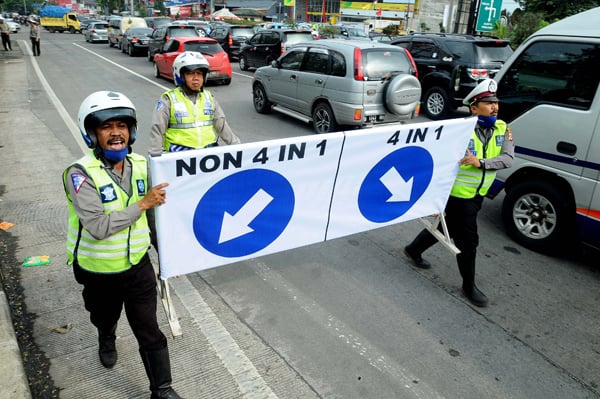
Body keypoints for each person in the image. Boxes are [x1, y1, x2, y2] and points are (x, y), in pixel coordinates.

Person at [63, 91, 183, 399]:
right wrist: (143, 204)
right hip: (98, 270)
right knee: (104, 316)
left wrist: (169, 258)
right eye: (106, 126)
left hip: (138, 268)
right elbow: (99, 227)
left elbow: (156, 218)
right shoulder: (79, 174)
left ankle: (162, 389)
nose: (116, 132)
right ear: (92, 134)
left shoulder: (142, 165)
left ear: (132, 131)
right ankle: (106, 335)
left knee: (149, 330)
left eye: (122, 125)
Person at [403, 79, 515, 307]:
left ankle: (413, 249)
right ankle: (469, 286)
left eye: (496, 102)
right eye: (488, 102)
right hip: (457, 196)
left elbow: (508, 159)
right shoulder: (459, 131)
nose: (495, 106)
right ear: (474, 107)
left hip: (478, 195)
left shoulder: (503, 128)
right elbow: (439, 164)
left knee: (450, 228)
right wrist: (434, 199)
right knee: (468, 240)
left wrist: (480, 162)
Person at [149, 51, 240, 154]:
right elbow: (157, 129)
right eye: (190, 73)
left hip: (207, 156)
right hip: (179, 156)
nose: (196, 78)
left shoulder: (209, 98)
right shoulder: (168, 100)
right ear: (180, 76)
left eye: (199, 74)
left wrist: (238, 147)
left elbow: (222, 126)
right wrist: (156, 156)